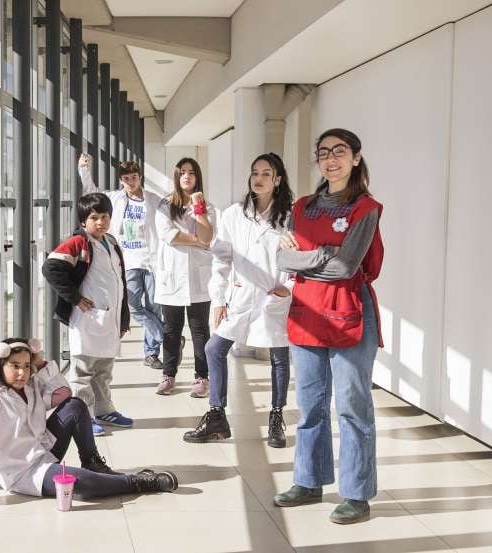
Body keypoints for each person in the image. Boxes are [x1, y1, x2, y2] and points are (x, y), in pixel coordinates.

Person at [274, 128, 384, 525]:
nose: (331, 159)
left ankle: (356, 494)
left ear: (356, 158)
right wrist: (321, 254)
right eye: (324, 152)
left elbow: (345, 267)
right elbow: (282, 261)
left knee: (353, 408)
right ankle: (308, 481)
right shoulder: (302, 207)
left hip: (350, 314)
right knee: (310, 406)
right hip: (307, 314)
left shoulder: (365, 207)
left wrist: (307, 257)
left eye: (340, 152)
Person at [0, 338, 179, 512]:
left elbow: (63, 394)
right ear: (1, 365)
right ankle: (138, 482)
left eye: (26, 366)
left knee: (75, 404)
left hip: (44, 450)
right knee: (80, 484)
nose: (22, 373)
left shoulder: (31, 387)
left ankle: (92, 462)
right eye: (14, 366)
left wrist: (39, 361)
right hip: (22, 472)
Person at [183, 153, 294, 448]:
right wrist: (219, 298)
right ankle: (217, 415)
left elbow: (298, 257)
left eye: (266, 174)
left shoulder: (289, 217)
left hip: (273, 296)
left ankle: (276, 416)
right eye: (254, 172)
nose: (258, 178)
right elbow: (222, 257)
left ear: (278, 180)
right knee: (214, 348)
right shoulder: (234, 214)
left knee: (279, 358)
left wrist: (288, 288)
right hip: (241, 296)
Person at [42, 193, 133, 436]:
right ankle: (81, 418)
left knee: (104, 371)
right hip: (88, 319)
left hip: (109, 319)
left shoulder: (111, 242)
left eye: (104, 216)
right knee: (82, 372)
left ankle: (104, 410)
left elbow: (120, 283)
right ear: (84, 221)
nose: (101, 222)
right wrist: (74, 297)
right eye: (94, 218)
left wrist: (123, 318)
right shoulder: (78, 243)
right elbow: (51, 267)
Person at [78, 154, 164, 370]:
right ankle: (167, 336)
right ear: (121, 180)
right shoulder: (115, 199)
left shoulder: (153, 200)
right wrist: (84, 169)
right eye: (126, 178)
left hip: (152, 260)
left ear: (140, 178)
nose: (130, 182)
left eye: (134, 177)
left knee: (154, 308)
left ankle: (151, 353)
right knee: (133, 306)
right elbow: (91, 193)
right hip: (129, 260)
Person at [153, 158, 216, 397]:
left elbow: (208, 235)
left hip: (198, 277)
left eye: (191, 173)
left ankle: (202, 378)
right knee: (171, 329)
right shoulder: (165, 204)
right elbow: (169, 235)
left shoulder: (207, 206)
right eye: (183, 173)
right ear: (177, 177)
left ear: (198, 177)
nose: (187, 177)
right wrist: (199, 240)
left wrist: (199, 212)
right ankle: (168, 375)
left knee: (200, 329)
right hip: (172, 277)